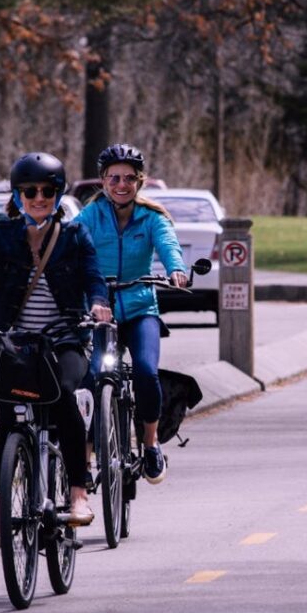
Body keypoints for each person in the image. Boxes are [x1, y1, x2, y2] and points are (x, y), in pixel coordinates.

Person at [0, 152, 112, 547]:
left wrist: (99, 304)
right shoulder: (0, 235)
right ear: (17, 195)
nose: (38, 198)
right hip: (13, 342)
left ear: (58, 194)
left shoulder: (74, 236)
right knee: (8, 424)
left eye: (47, 191)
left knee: (64, 396)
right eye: (29, 191)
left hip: (63, 337)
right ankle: (3, 500)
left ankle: (78, 494)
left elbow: (93, 277)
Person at [74, 143, 187, 485]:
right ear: (103, 181)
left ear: (140, 181)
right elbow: (70, 246)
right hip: (99, 311)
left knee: (145, 373)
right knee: (92, 377)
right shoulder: (89, 217)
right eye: (113, 178)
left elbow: (169, 246)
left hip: (140, 309)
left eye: (128, 178)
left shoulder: (152, 217)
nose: (121, 185)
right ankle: (87, 457)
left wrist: (176, 270)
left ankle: (150, 445)